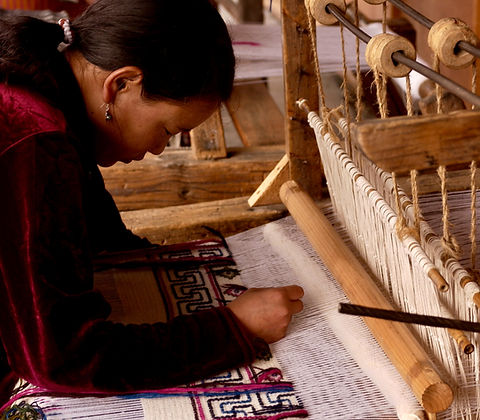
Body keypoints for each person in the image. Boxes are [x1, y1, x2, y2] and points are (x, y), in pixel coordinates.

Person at [0, 0, 304, 408]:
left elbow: (99, 236)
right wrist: (233, 327)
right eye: (166, 130)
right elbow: (63, 357)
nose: (160, 149)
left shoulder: (40, 78)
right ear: (120, 84)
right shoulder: (33, 141)